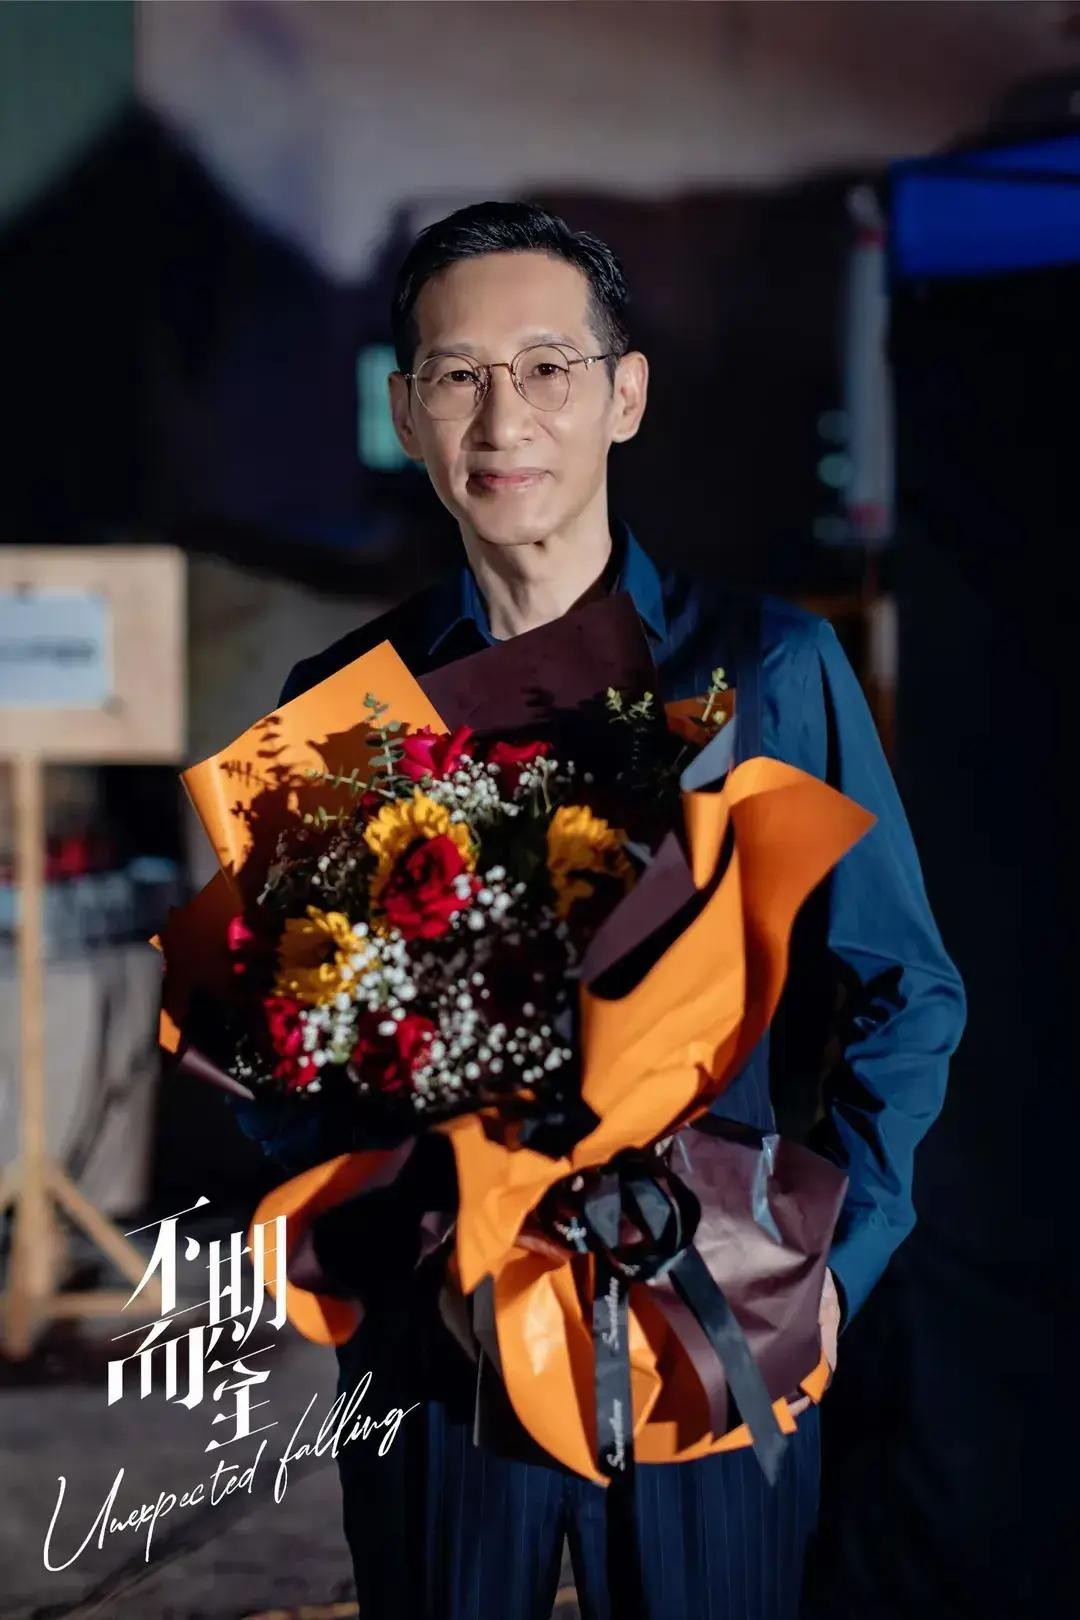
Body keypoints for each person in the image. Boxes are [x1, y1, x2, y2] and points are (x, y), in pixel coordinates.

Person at [231, 201, 966, 1619]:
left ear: (625, 396)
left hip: (715, 1311)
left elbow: (904, 987)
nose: (503, 416)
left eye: (547, 367)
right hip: (443, 1352)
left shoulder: (770, 671)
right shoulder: (341, 707)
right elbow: (287, 1053)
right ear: (407, 412)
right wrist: (400, 1248)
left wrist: (834, 1267)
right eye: (457, 375)